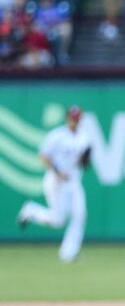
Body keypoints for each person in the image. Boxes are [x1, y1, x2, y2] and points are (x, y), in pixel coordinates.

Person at [17, 106, 91, 263]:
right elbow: (43, 155)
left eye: (78, 118)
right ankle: (30, 211)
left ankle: (69, 252)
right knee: (58, 220)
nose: (75, 121)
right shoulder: (57, 135)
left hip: (74, 181)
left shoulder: (84, 137)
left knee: (80, 215)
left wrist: (85, 159)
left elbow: (84, 161)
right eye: (73, 118)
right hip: (56, 181)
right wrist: (57, 171)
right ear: (67, 119)